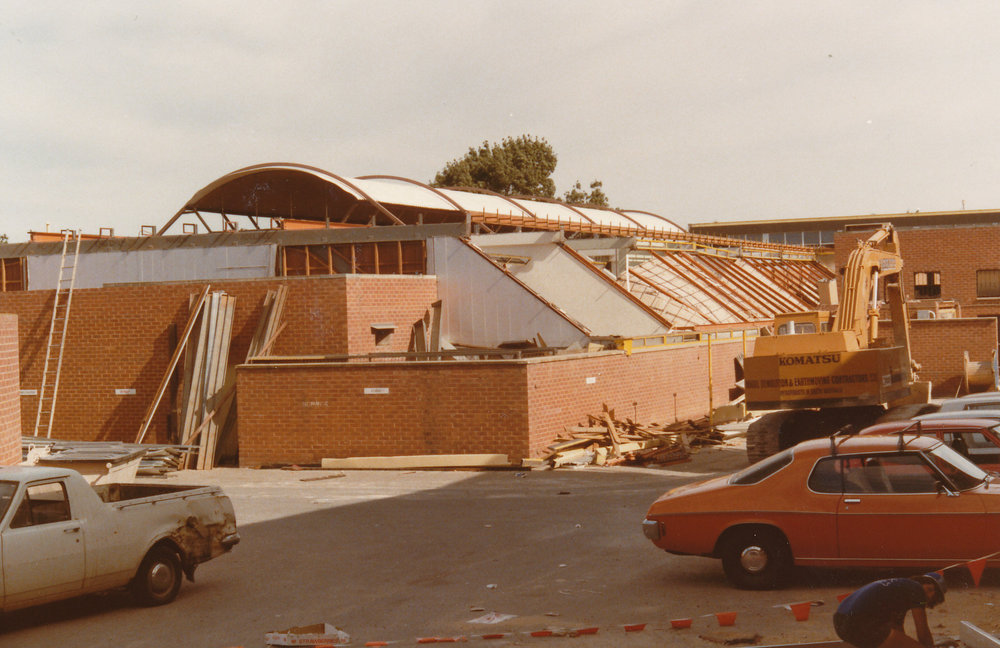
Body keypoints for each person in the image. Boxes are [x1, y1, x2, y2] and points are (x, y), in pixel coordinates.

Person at [832, 573, 946, 648]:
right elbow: (923, 633)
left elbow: (897, 630)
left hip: (840, 622)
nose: (929, 596)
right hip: (859, 623)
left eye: (934, 598)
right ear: (923, 582)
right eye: (930, 589)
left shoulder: (899, 589)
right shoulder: (916, 589)